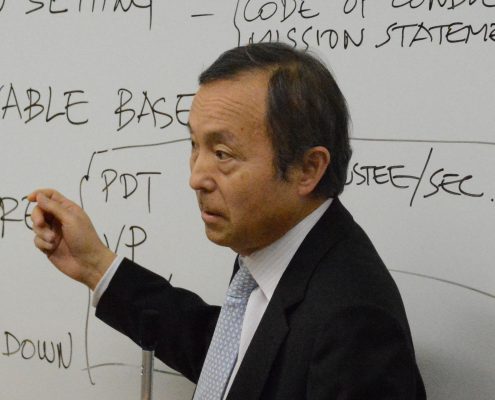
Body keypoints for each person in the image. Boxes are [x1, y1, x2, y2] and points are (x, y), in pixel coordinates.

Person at [29, 42, 426, 399]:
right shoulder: (278, 252)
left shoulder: (354, 323)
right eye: (194, 145)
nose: (196, 177)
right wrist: (95, 265)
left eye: (222, 154)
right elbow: (238, 360)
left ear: (307, 169)